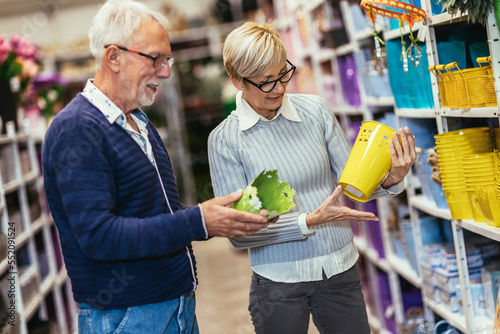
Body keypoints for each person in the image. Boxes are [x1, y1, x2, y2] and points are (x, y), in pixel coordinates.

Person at [42, 2, 271, 333]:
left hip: (174, 304)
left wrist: (213, 217)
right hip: (127, 316)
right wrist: (199, 221)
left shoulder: (139, 122)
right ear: (114, 57)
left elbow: (155, 215)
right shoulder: (77, 130)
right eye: (156, 59)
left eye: (168, 60)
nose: (165, 71)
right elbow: (99, 236)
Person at [208, 22, 417, 334]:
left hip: (340, 271)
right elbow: (240, 234)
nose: (279, 88)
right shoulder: (225, 140)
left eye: (283, 74)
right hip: (278, 284)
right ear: (237, 80)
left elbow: (354, 183)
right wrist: (308, 221)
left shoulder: (315, 111)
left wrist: (392, 178)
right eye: (266, 82)